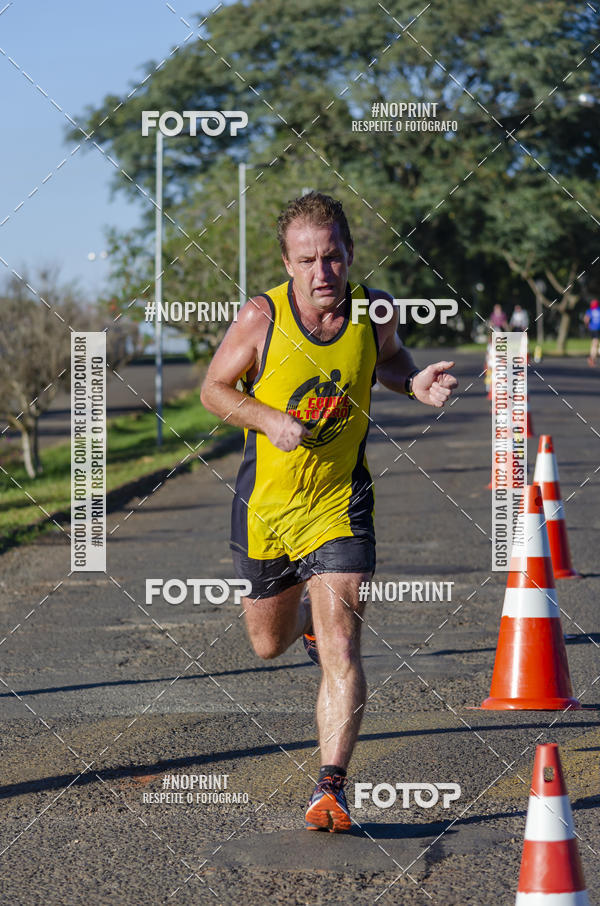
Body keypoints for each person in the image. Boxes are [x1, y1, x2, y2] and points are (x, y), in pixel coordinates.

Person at [200, 191, 458, 832]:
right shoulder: (261, 318)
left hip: (341, 502)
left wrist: (413, 381)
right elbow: (213, 389)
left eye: (334, 257)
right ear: (287, 264)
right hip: (267, 508)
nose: (323, 273)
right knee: (266, 643)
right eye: (308, 260)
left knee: (342, 642)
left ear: (350, 253)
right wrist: (268, 419)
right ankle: (305, 627)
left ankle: (331, 788)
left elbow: (390, 360)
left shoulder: (373, 311)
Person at [584, 299, 600, 366]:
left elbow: (586, 319)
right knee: (596, 344)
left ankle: (592, 358)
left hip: (593, 329)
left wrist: (587, 326)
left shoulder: (589, 311)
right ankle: (593, 357)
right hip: (598, 328)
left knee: (594, 343)